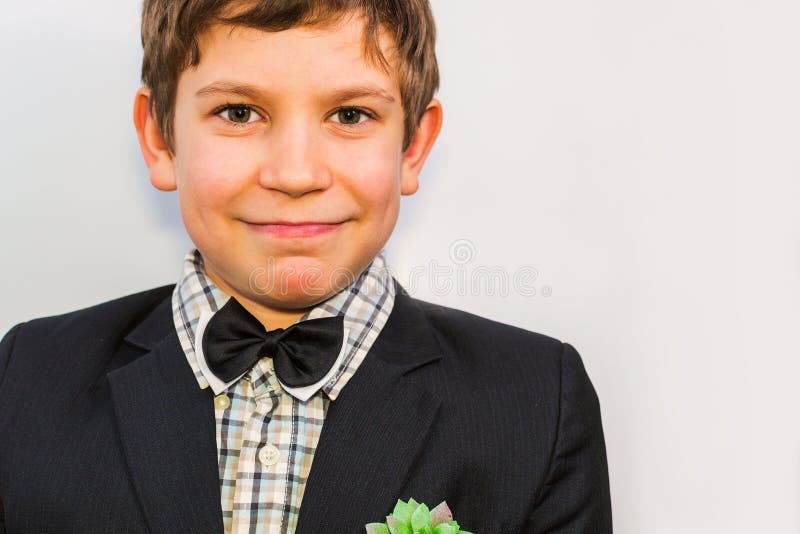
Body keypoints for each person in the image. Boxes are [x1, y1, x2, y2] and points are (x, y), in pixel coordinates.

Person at [0, 1, 612, 532]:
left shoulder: (537, 400)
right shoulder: (23, 379)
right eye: (239, 113)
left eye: (349, 115)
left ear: (413, 146)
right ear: (160, 138)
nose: (295, 174)